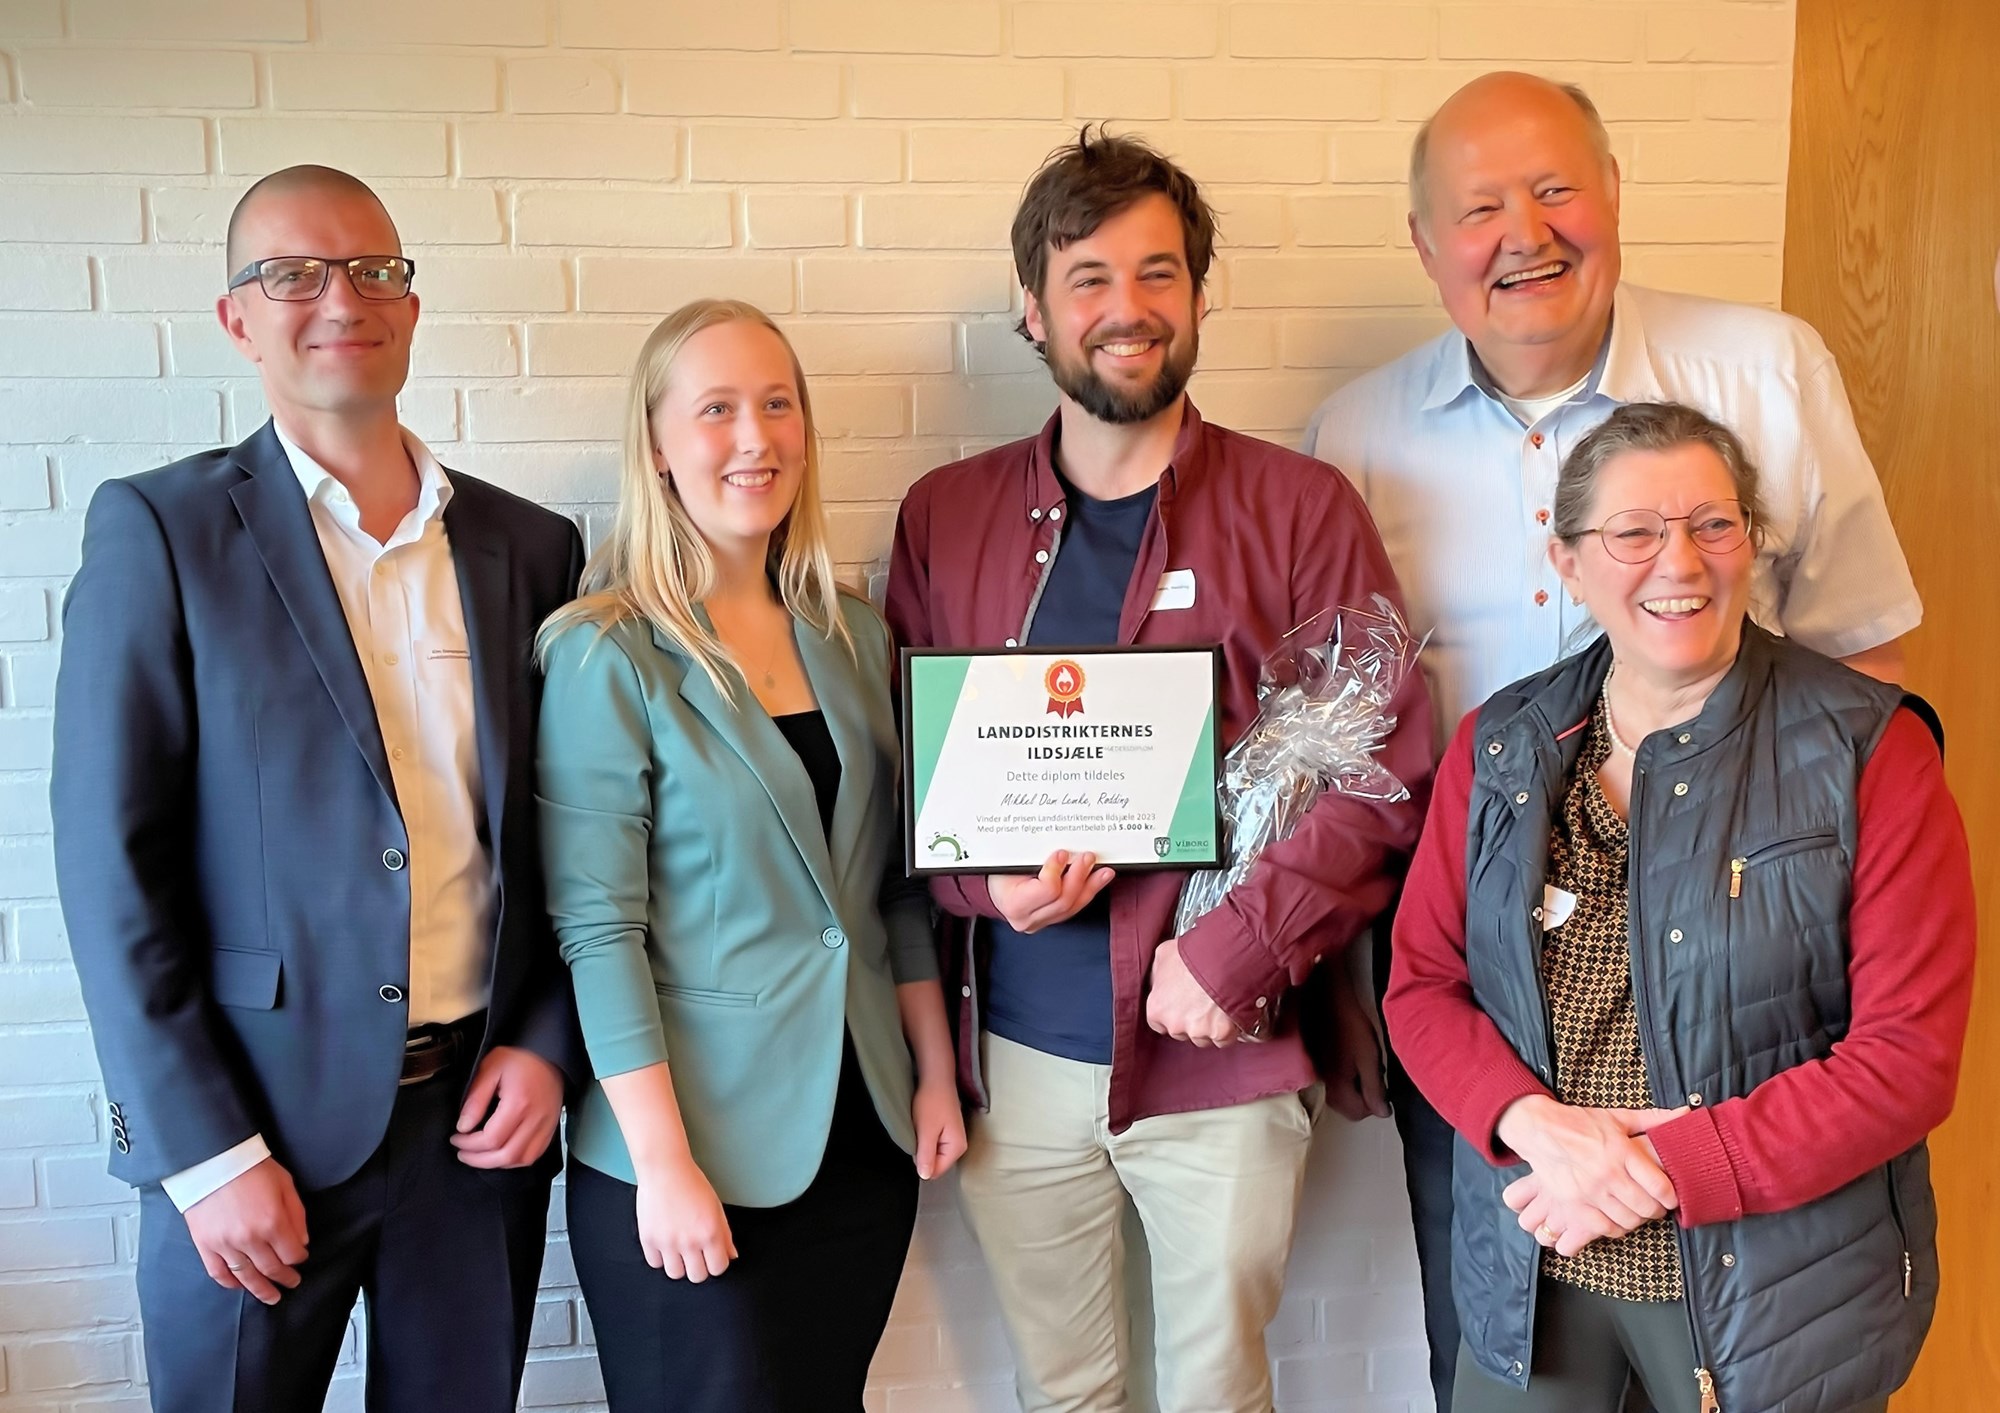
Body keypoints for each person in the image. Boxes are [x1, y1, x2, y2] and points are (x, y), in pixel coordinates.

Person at [1299, 73, 1925, 1409]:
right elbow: (1349, 749)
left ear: (1615, 193)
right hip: (1493, 1013)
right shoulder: (1354, 437)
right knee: (1500, 1346)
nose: (1523, 233)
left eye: (1554, 190)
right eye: (1479, 208)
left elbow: (1862, 670)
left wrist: (1837, 904)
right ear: (1425, 243)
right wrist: (1357, 987)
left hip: (1753, 1011)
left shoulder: (1765, 370)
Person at [884, 129, 1433, 1412]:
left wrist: (1236, 949)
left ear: (1195, 295)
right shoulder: (943, 517)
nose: (1125, 308)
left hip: (1223, 1049)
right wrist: (980, 888)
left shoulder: (1299, 508)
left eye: (1157, 273)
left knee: (1214, 1393)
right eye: (1087, 278)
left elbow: (1381, 770)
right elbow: (907, 779)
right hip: (1017, 1056)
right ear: (1033, 308)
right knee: (1065, 1394)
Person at [50, 165, 583, 1411]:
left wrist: (547, 1043)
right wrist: (203, 1152)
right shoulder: (161, 531)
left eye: (372, 271)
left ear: (410, 305)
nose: (340, 299)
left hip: (476, 1131)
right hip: (252, 1136)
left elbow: (574, 835)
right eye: (293, 274)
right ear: (237, 319)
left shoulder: (530, 547)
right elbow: (110, 865)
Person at [1383, 401, 1973, 1413]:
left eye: (1712, 524)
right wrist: (1536, 1127)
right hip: (1534, 1262)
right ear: (1567, 563)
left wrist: (1656, 1163)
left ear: (1751, 542)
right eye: (1633, 532)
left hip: (1774, 1301)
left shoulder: (1870, 749)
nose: (1680, 562)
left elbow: (1905, 1060)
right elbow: (1421, 989)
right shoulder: (1499, 743)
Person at [536, 298, 965, 1413]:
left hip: (859, 1135)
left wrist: (931, 1072)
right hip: (692, 1154)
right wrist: (663, 1163)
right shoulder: (605, 651)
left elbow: (891, 889)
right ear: (656, 444)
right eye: (716, 409)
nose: (754, 438)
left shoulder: (853, 634)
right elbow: (598, 931)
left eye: (778, 405)